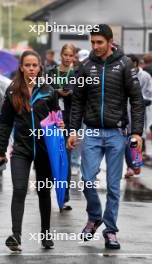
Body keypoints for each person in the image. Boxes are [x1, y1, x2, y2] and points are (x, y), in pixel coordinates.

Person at [67, 24, 144, 249]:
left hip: (116, 133)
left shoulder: (124, 64)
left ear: (110, 42)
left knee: (113, 186)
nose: (95, 46)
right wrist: (73, 130)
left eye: (99, 42)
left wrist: (137, 132)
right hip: (90, 132)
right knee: (87, 180)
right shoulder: (85, 66)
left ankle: (110, 231)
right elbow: (77, 102)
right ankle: (94, 217)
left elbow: (137, 101)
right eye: (92, 42)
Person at [0, 50, 64, 251]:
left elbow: (57, 115)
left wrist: (60, 124)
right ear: (21, 67)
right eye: (27, 65)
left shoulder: (49, 91)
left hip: (44, 151)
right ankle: (16, 236)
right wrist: (0, 152)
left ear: (40, 67)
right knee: (19, 189)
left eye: (35, 65)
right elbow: (5, 123)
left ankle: (45, 234)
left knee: (44, 192)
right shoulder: (12, 91)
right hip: (21, 150)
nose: (31, 69)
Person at [48, 44, 76, 211]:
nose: (67, 58)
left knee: (66, 159)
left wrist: (71, 93)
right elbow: (44, 92)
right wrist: (56, 91)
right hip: (51, 120)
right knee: (49, 158)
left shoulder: (76, 74)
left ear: (74, 57)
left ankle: (64, 198)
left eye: (70, 55)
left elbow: (80, 98)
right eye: (65, 54)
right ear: (61, 55)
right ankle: (45, 193)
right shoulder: (51, 72)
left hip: (67, 121)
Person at [125, 54, 152, 177]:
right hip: (124, 114)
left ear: (136, 64)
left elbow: (149, 95)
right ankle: (130, 167)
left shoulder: (145, 77)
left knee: (134, 141)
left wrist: (141, 100)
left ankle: (136, 164)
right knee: (126, 143)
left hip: (138, 115)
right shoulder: (123, 75)